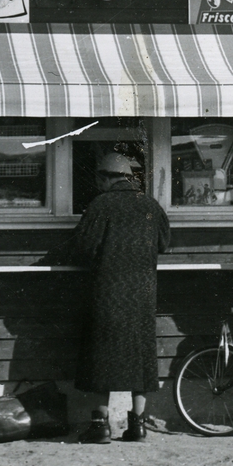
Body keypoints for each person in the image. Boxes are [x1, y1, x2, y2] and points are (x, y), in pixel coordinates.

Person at [70, 150, 170, 444]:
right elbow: (164, 243)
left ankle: (100, 426)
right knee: (140, 359)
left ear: (105, 177)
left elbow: (82, 247)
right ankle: (137, 426)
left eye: (99, 178)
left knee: (102, 358)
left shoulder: (101, 205)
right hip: (142, 295)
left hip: (107, 293)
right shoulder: (150, 205)